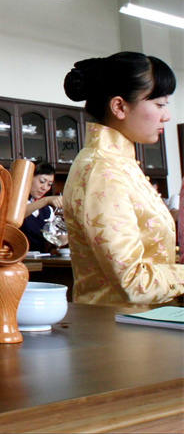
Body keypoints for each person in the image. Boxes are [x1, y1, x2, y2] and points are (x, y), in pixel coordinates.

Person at [62, 52, 184, 306]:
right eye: (160, 104)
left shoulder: (118, 164)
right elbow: (133, 281)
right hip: (120, 326)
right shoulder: (103, 171)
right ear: (119, 107)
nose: (167, 115)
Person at [20, 161, 64, 252]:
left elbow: (50, 240)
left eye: (49, 184)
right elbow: (18, 215)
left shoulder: (47, 210)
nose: (45, 188)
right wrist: (46, 200)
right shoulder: (15, 203)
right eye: (42, 181)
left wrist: (61, 239)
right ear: (28, 178)